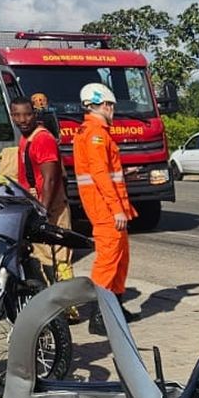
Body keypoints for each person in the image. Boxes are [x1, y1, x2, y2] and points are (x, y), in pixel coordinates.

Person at [71, 82, 134, 333]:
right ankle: (100, 317)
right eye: (112, 106)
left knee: (120, 256)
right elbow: (99, 173)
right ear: (104, 105)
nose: (113, 111)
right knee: (108, 259)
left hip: (105, 203)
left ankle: (115, 307)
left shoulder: (93, 132)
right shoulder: (95, 134)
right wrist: (116, 208)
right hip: (104, 206)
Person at [9, 95, 74, 282]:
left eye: (27, 114)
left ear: (35, 114)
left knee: (57, 259)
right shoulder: (26, 138)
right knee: (40, 257)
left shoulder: (42, 139)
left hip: (50, 206)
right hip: (36, 203)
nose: (22, 120)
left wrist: (42, 211)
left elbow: (50, 179)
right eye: (17, 115)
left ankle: (67, 299)